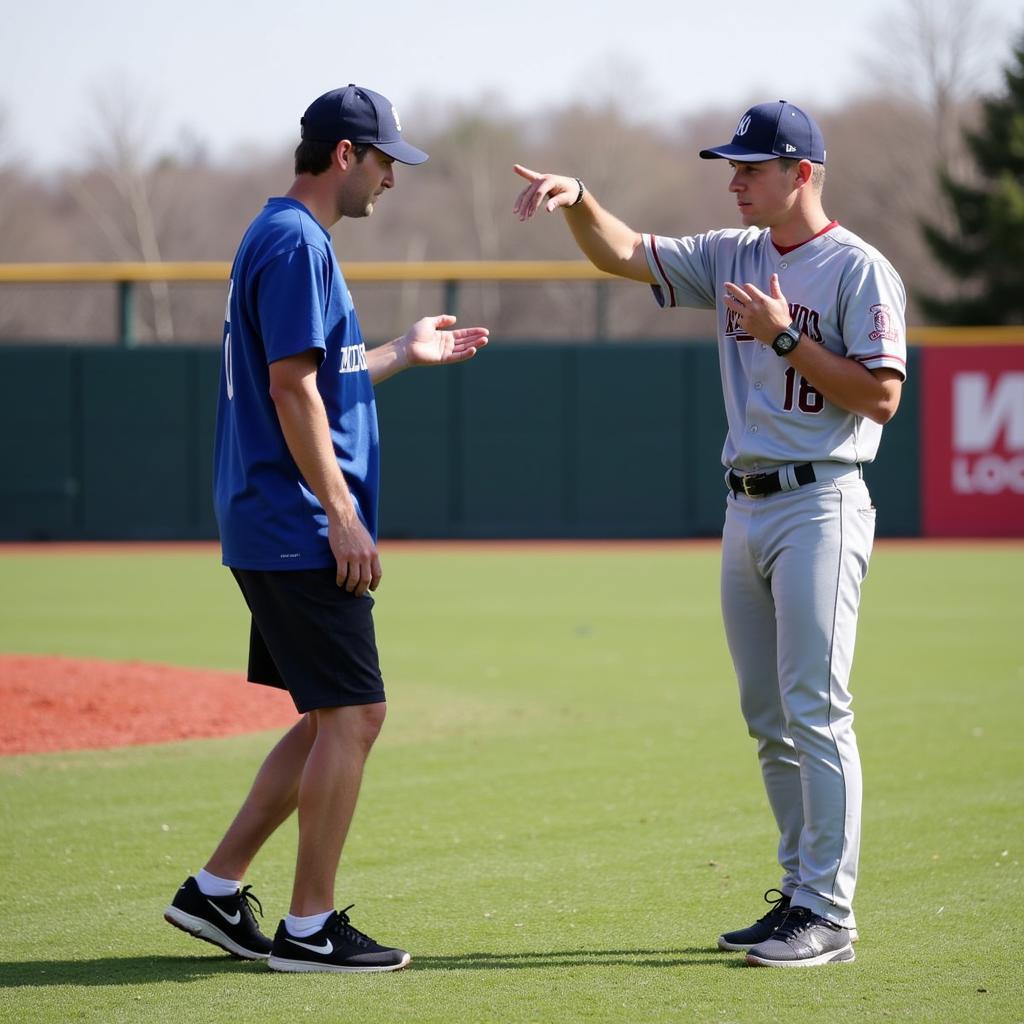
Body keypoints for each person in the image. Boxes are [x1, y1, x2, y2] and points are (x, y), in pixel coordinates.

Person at [513, 100, 905, 968]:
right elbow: (623, 253)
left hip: (821, 500)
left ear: (802, 172)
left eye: (750, 168)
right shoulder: (732, 253)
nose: (733, 181)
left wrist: (787, 336)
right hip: (745, 504)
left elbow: (881, 398)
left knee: (815, 707)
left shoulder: (858, 269)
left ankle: (830, 913)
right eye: (731, 167)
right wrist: (578, 196)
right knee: (767, 716)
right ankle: (800, 892)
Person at [164, 84, 488, 974]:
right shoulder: (296, 241)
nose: (392, 178)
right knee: (357, 715)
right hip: (296, 520)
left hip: (274, 517)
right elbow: (290, 390)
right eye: (386, 160)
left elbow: (322, 374)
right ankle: (309, 929)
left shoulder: (281, 236)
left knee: (324, 719)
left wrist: (400, 353)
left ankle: (216, 891)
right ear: (346, 154)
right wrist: (342, 516)